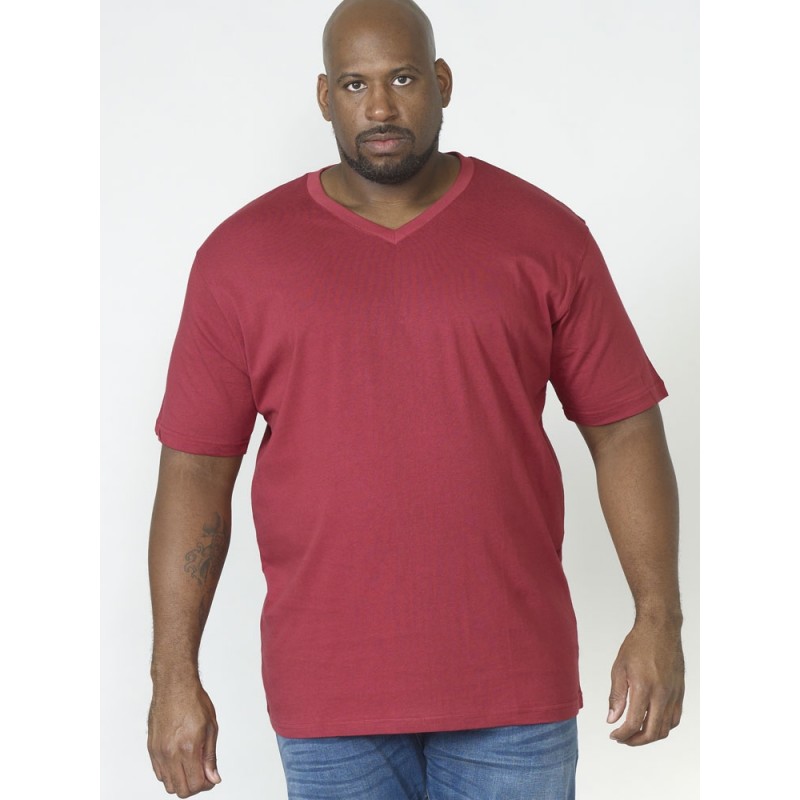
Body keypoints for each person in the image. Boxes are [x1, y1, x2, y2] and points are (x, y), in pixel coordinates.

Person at [147, 0, 685, 797]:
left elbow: (624, 427)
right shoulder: (241, 258)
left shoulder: (543, 235)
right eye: (354, 84)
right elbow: (195, 470)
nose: (380, 107)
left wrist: (658, 619)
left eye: (401, 79)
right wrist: (173, 676)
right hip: (330, 696)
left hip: (512, 687)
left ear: (442, 82)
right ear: (325, 97)